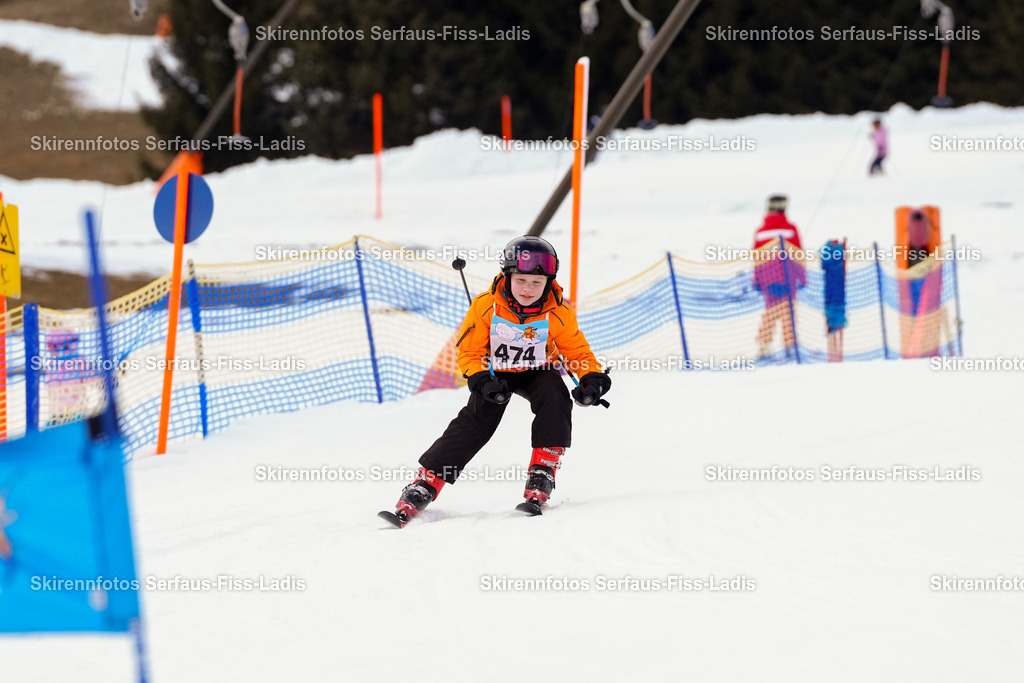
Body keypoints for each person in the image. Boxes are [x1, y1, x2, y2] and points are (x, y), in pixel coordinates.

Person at [380, 236, 611, 526]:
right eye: (522, 280)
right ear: (508, 276)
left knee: (556, 397)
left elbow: (576, 351)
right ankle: (425, 484)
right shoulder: (487, 306)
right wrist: (479, 379)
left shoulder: (558, 312)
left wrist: (592, 378)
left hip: (537, 369)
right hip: (495, 374)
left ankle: (543, 472)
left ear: (549, 282)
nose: (529, 289)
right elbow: (469, 350)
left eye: (537, 284)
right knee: (475, 421)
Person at [752, 194, 806, 359]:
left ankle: (763, 346)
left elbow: (757, 258)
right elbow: (798, 255)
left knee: (770, 313)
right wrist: (802, 277)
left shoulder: (760, 232)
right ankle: (790, 347)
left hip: (768, 279)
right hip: (788, 278)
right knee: (788, 314)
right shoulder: (791, 230)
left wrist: (757, 280)